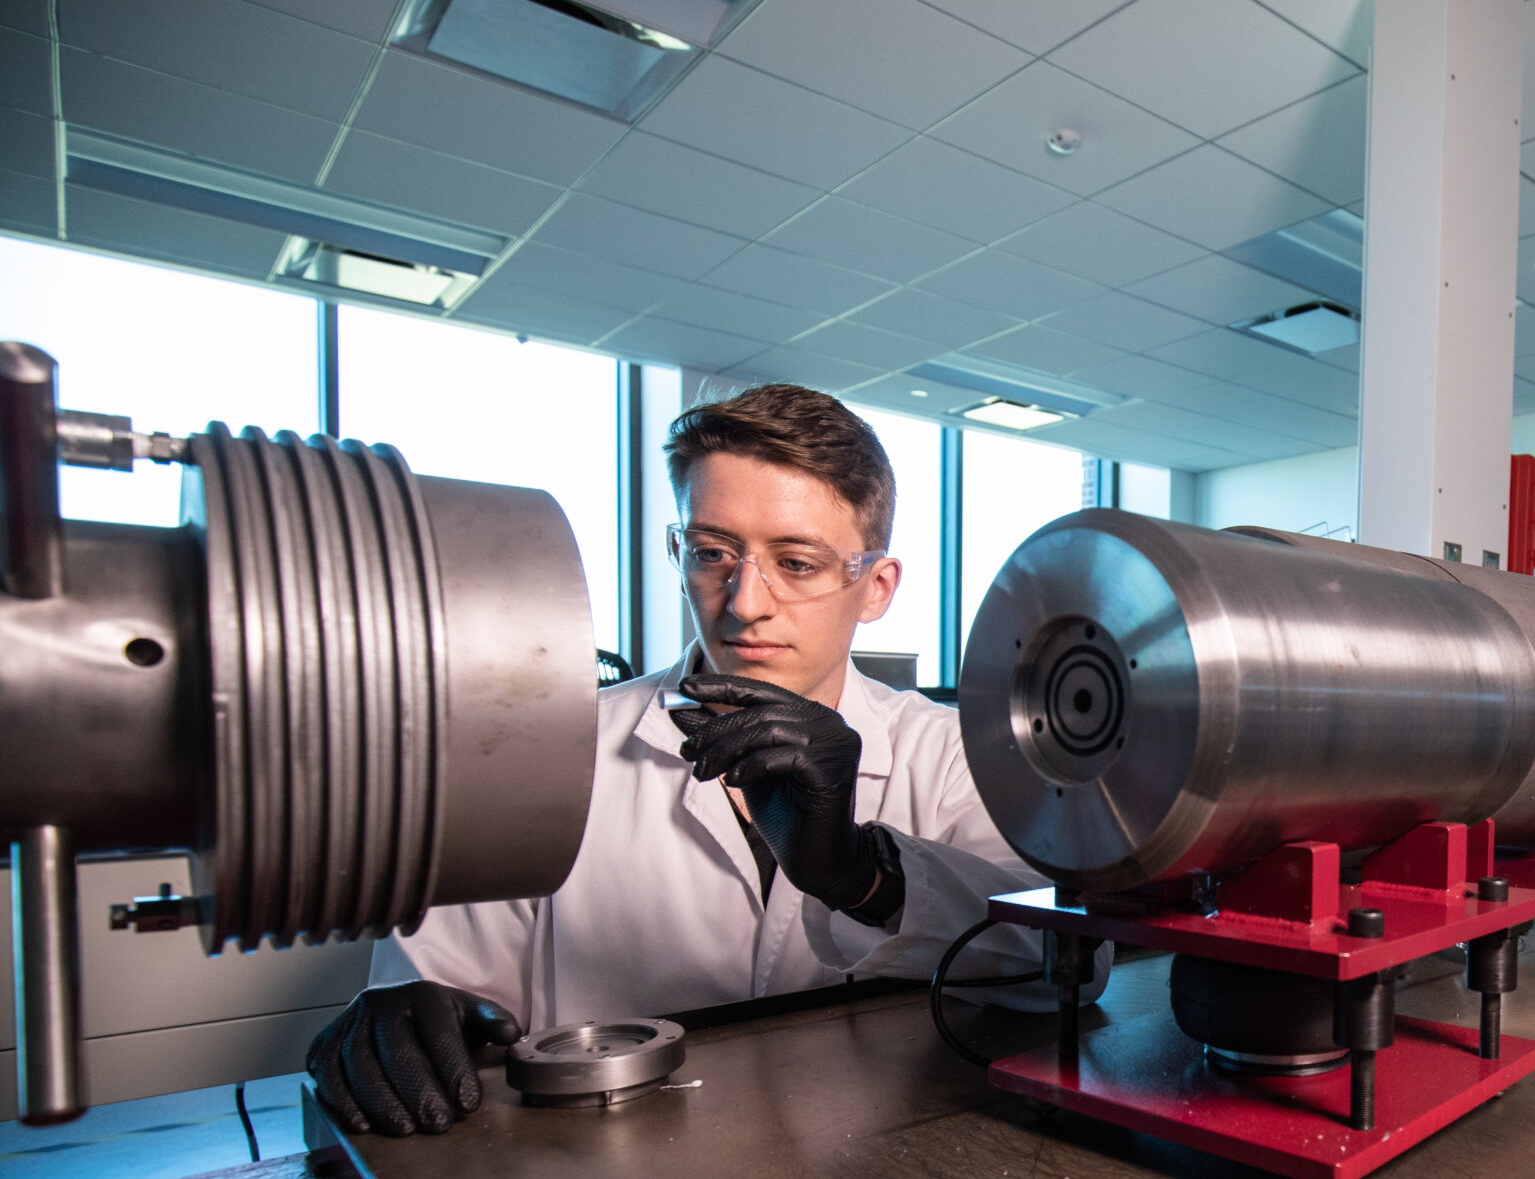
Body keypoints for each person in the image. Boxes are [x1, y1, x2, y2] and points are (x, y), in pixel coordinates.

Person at [306, 384, 1089, 1135]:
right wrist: (411, 1011)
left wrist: (865, 875)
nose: (744, 602)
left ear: (876, 586)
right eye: (713, 552)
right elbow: (443, 993)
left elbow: (1070, 965)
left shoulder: (948, 753)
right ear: (677, 551)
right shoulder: (548, 753)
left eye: (796, 563)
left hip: (876, 1167)